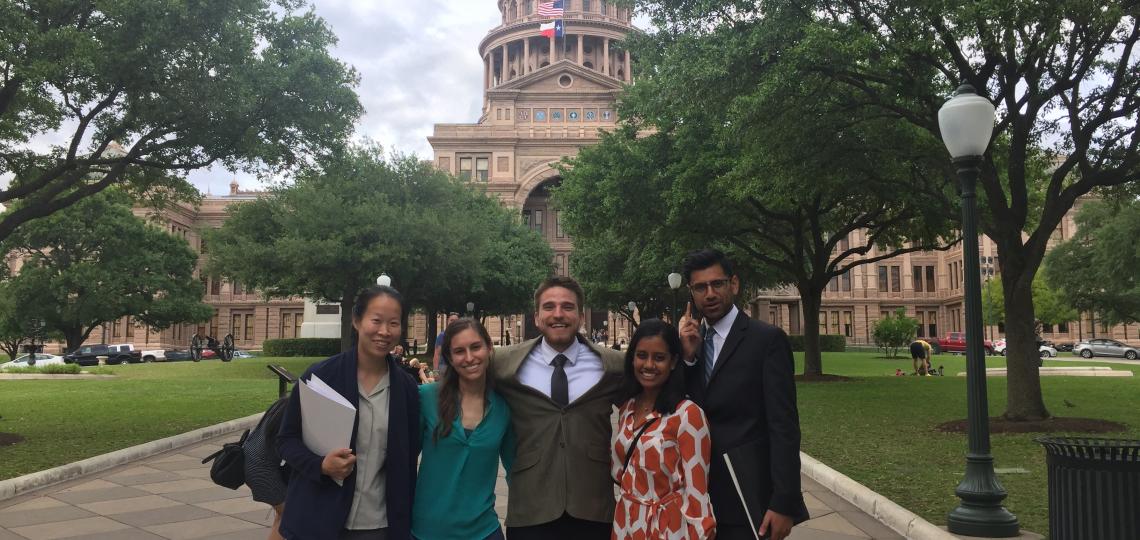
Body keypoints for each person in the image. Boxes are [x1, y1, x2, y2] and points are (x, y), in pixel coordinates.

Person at [677, 249, 809, 540]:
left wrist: (784, 501)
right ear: (691, 293)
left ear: (733, 284)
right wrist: (686, 358)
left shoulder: (766, 340)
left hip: (747, 495)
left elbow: (783, 425)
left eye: (717, 284)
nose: (709, 294)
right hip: (696, 497)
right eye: (700, 287)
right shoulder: (693, 343)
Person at [276, 285, 421, 540]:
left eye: (394, 323)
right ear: (356, 320)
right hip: (321, 519)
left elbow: (410, 451)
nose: (384, 332)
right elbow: (286, 440)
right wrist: (321, 465)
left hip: (379, 524)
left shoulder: (407, 388)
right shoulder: (321, 377)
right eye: (376, 321)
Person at [491, 276, 625, 540]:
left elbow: (654, 400)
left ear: (581, 316)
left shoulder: (614, 365)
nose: (558, 314)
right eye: (549, 307)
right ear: (537, 316)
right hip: (530, 509)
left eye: (568, 307)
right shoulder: (504, 363)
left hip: (594, 509)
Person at [612, 318, 715, 540]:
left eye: (659, 358)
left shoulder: (688, 415)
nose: (649, 365)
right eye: (641, 356)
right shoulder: (627, 408)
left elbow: (697, 495)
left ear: (673, 361)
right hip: (626, 526)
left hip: (668, 529)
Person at [413, 318, 515, 540]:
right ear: (449, 357)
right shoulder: (426, 398)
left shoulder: (504, 408)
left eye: (476, 347)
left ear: (489, 347)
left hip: (483, 531)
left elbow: (514, 471)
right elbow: (401, 459)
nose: (469, 358)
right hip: (426, 531)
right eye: (459, 351)